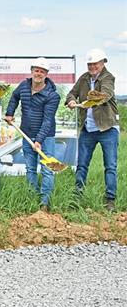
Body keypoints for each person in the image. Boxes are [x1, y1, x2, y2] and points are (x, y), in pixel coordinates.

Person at [66, 49, 119, 212]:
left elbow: (106, 95)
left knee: (110, 166)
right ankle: (77, 196)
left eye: (95, 63)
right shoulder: (83, 78)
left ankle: (110, 200)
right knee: (81, 165)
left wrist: (90, 97)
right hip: (88, 129)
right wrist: (71, 101)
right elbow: (71, 93)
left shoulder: (107, 78)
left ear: (102, 63)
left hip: (107, 128)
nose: (92, 67)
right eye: (90, 64)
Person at [5, 57, 61, 211]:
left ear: (46, 74)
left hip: (46, 137)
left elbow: (48, 120)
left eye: (42, 71)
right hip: (26, 134)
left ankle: (44, 203)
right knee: (30, 169)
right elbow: (14, 97)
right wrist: (10, 112)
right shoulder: (24, 85)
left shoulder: (52, 95)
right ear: (32, 71)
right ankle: (32, 198)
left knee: (47, 170)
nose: (38, 73)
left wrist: (39, 140)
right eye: (36, 70)